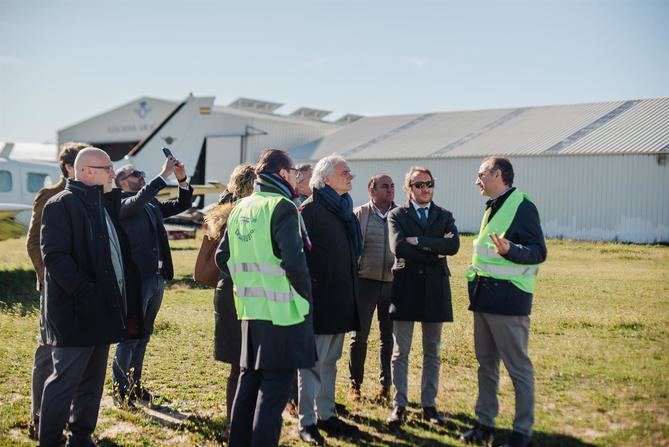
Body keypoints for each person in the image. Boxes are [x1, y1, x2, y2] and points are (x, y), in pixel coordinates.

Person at [39, 147, 141, 446]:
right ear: (85, 172)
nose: (113, 173)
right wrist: (88, 292)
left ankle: (80, 436)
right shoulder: (60, 204)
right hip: (74, 314)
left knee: (92, 384)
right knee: (63, 382)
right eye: (106, 168)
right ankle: (51, 440)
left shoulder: (100, 204)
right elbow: (55, 259)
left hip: (102, 312)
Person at [216, 149, 315, 447]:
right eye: (295, 172)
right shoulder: (282, 206)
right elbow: (295, 264)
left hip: (249, 309)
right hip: (283, 312)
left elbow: (223, 257)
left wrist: (249, 281)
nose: (297, 177)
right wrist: (305, 299)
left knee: (249, 382)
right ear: (283, 174)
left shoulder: (242, 206)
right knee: (274, 391)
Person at [461, 157, 547, 447]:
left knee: (518, 368)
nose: (477, 180)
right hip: (484, 300)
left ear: (498, 174)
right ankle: (484, 425)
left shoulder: (523, 206)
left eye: (481, 174)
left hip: (509, 302)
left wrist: (512, 249)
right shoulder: (492, 207)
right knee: (486, 365)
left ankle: (521, 433)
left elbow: (538, 252)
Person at [111, 158, 193, 406]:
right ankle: (120, 390)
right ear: (122, 180)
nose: (142, 176)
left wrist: (181, 179)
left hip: (155, 279)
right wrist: (163, 174)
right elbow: (138, 201)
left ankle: (135, 386)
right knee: (129, 336)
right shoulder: (119, 202)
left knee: (144, 335)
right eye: (137, 173)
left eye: (142, 172)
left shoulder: (150, 204)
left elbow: (182, 203)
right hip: (135, 282)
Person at [386, 166, 460, 427]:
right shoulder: (396, 215)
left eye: (429, 183)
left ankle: (429, 406)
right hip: (405, 290)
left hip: (435, 291)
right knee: (400, 352)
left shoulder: (444, 215)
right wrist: (434, 249)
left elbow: (453, 246)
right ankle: (400, 405)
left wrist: (420, 242)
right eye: (419, 185)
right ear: (409, 188)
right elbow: (399, 247)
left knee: (432, 352)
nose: (425, 188)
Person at [25, 142, 88, 439]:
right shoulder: (49, 196)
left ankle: (68, 417)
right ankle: (39, 418)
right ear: (68, 167)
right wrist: (49, 280)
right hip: (54, 290)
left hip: (83, 290)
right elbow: (34, 243)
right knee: (48, 353)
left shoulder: (93, 197)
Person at [298, 154, 361, 445]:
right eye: (345, 172)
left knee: (331, 361)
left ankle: (326, 414)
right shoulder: (309, 210)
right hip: (319, 300)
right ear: (326, 179)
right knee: (313, 363)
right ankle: (306, 421)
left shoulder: (344, 209)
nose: (350, 177)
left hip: (341, 297)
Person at [204, 163, 256, 426]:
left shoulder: (222, 211)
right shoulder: (244, 214)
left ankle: (235, 422)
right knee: (242, 364)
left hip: (227, 291)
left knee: (239, 365)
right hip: (240, 291)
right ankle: (237, 423)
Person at [348, 174, 396, 402]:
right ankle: (355, 384)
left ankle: (386, 386)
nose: (390, 190)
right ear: (371, 190)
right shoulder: (359, 214)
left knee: (388, 338)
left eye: (392, 186)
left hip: (392, 285)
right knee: (359, 337)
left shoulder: (400, 215)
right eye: (385, 186)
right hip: (364, 283)